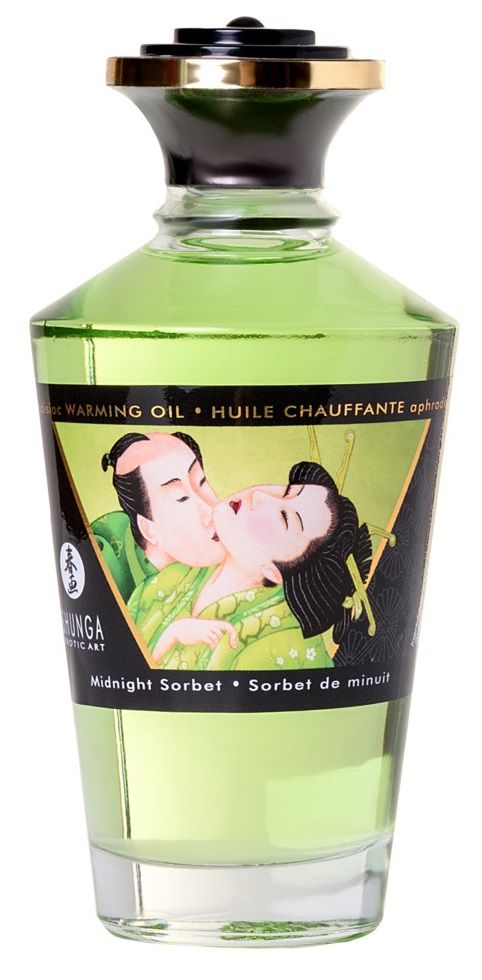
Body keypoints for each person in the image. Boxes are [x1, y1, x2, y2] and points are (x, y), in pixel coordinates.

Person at [127, 461, 372, 670]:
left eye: (285, 517)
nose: (260, 495)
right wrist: (173, 633)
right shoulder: (176, 575)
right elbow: (122, 672)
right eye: (285, 491)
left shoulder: (284, 644)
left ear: (275, 572)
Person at [99, 431, 226, 571]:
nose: (210, 512)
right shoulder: (106, 564)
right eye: (181, 497)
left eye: (201, 481)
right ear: (148, 529)